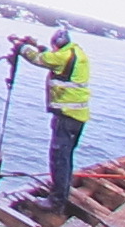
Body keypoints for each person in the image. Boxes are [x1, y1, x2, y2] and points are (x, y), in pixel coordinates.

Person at [16, 26, 95, 208]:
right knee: (66, 157)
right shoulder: (76, 52)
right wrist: (39, 46)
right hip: (78, 117)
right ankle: (63, 191)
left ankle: (57, 201)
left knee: (59, 158)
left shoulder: (62, 56)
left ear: (57, 45)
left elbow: (39, 59)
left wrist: (21, 47)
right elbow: (54, 59)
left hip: (66, 117)